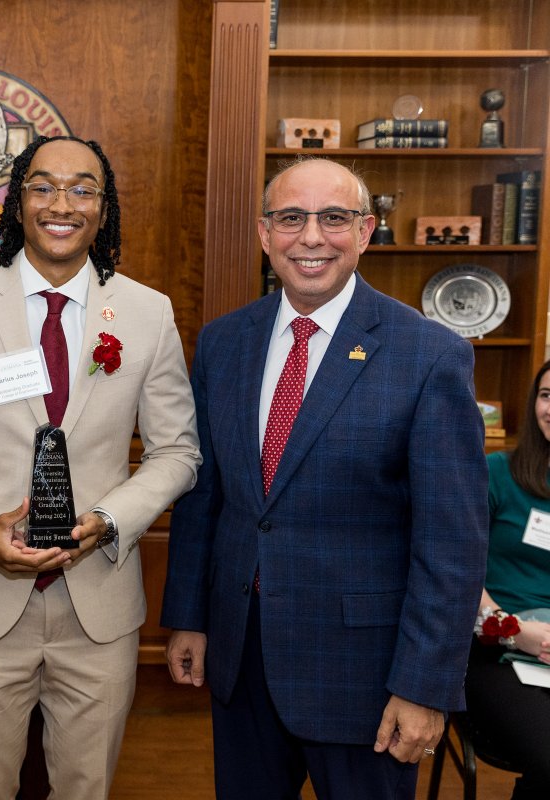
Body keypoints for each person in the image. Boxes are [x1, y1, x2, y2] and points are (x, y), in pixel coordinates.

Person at [161, 156, 489, 800]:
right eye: (291, 218)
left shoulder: (428, 355)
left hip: (364, 678)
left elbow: (452, 544)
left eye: (333, 218)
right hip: (241, 658)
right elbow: (207, 497)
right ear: (264, 233)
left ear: (365, 232)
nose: (311, 237)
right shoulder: (225, 343)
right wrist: (190, 617)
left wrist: (423, 685)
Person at [0, 135, 201, 798]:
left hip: (98, 605)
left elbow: (178, 450)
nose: (60, 203)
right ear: (17, 203)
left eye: (82, 188)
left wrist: (107, 518)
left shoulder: (148, 314)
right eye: (42, 186)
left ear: (104, 207)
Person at [464, 360, 550, 799]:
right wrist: (516, 631)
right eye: (547, 394)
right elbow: (456, 569)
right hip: (496, 648)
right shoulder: (498, 472)